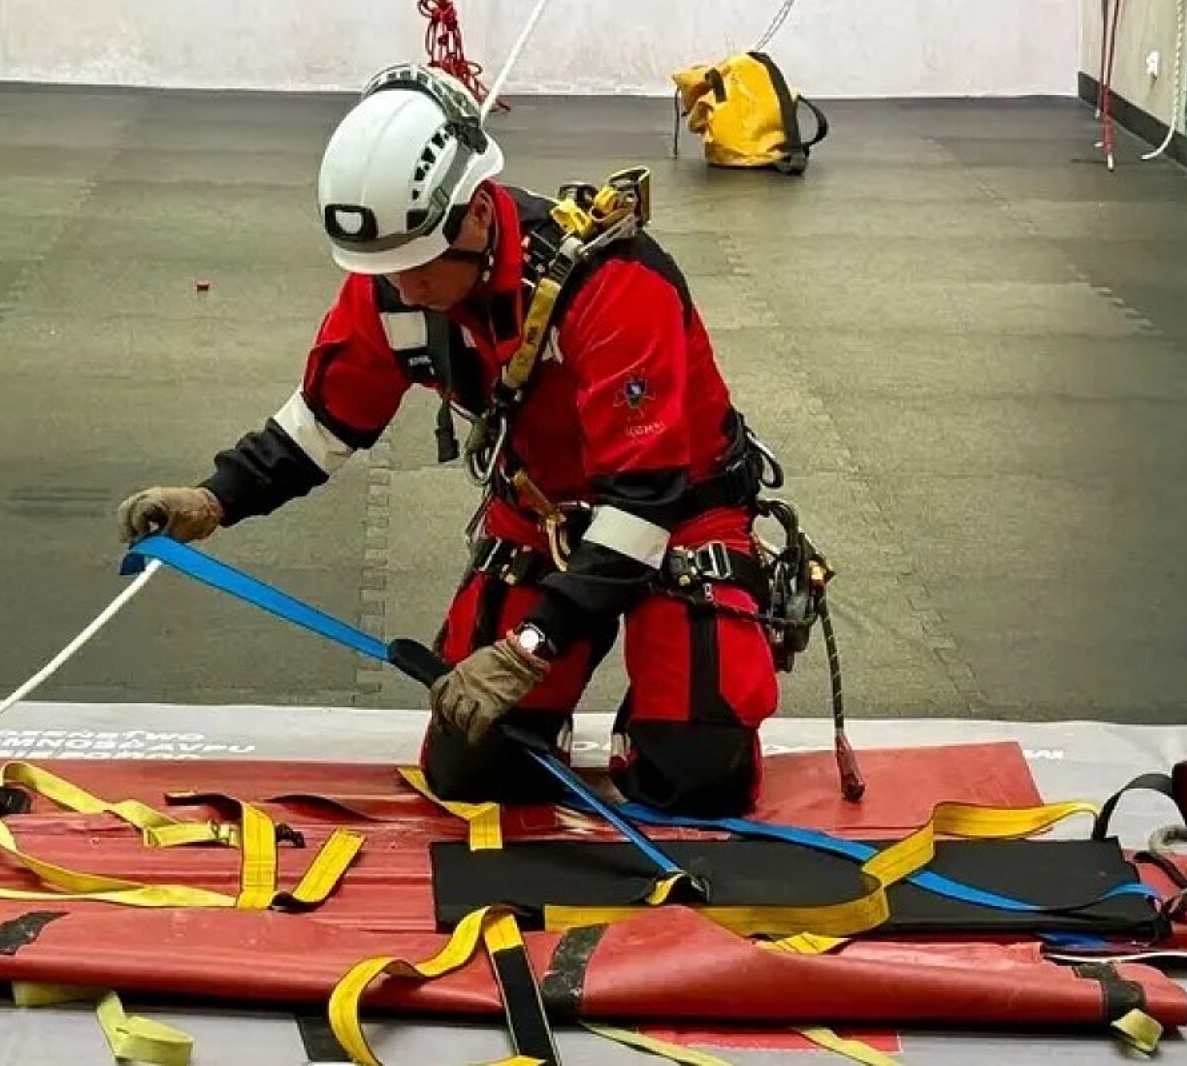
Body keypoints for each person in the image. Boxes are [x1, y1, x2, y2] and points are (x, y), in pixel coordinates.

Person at [117, 64, 783, 817]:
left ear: (476, 215)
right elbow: (324, 423)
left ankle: (669, 710)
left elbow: (641, 506)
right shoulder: (395, 279)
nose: (401, 289)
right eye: (384, 270)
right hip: (544, 518)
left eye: (415, 266)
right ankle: (561, 718)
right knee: (473, 766)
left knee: (698, 777)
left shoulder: (614, 286)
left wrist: (530, 647)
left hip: (680, 518)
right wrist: (213, 500)